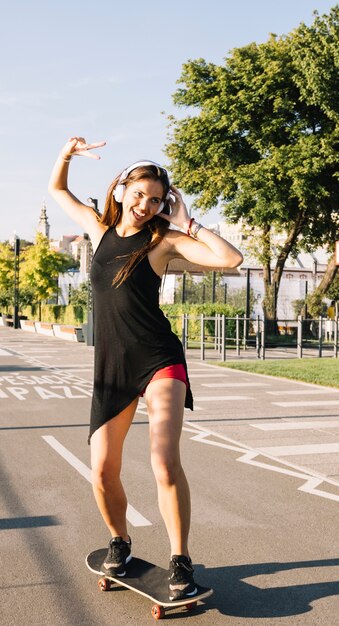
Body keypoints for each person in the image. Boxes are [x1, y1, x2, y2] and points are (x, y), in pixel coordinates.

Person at [48, 136, 243, 600]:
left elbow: (231, 260)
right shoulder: (98, 231)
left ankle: (181, 561)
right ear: (120, 191)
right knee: (101, 471)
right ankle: (120, 541)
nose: (145, 204)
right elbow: (58, 192)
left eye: (156, 198)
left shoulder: (164, 241)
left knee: (163, 461)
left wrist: (187, 222)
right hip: (112, 367)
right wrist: (66, 155)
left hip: (159, 360)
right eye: (139, 194)